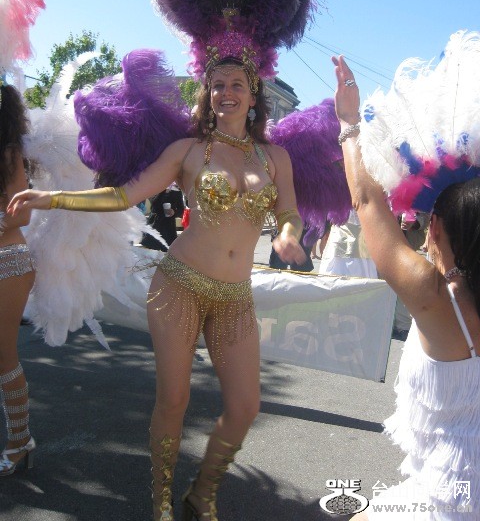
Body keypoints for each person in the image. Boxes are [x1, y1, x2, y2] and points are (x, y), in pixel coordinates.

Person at [7, 60, 307, 518]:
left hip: (234, 296)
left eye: (237, 85)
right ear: (207, 94)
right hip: (180, 285)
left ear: (253, 97)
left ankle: (202, 491)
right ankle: (162, 500)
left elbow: (289, 211)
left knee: (246, 406)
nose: (226, 92)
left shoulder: (274, 158)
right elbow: (123, 195)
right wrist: (52, 198)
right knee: (174, 399)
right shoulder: (188, 150)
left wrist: (288, 234)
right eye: (217, 85)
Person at [333, 51, 480, 519]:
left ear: (434, 227)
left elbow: (367, 201)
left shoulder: (433, 296)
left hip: (448, 497)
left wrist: (350, 123)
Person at [0, 84, 36, 476]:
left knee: (3, 355)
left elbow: (21, 213)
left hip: (7, 262)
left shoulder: (10, 154)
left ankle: (19, 440)